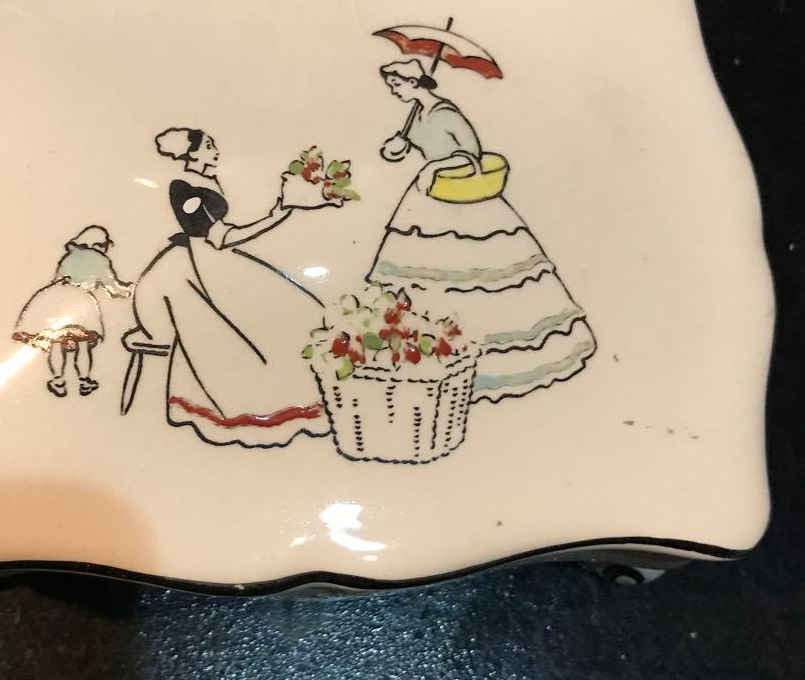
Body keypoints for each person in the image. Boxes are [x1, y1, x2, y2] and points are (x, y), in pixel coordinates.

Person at [369, 60, 596, 402]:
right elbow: (406, 146)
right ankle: (429, 366)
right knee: (427, 276)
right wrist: (395, 148)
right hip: (429, 200)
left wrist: (435, 166)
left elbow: (472, 155)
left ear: (414, 82)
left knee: (474, 277)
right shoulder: (415, 113)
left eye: (396, 84)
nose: (393, 90)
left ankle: (483, 369)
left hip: (464, 202)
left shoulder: (447, 114)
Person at [132, 126, 337, 447]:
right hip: (207, 265)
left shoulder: (206, 181)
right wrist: (283, 210)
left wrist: (288, 207)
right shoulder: (186, 189)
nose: (215, 149)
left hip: (216, 260)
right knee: (256, 326)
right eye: (209, 145)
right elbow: (221, 238)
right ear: (192, 153)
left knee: (300, 312)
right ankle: (260, 409)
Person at [13, 226, 132, 397]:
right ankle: (84, 380)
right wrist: (130, 290)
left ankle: (57, 379)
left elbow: (56, 280)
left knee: (55, 340)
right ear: (98, 244)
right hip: (80, 301)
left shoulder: (68, 258)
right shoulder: (99, 259)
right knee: (83, 343)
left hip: (55, 298)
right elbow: (113, 288)